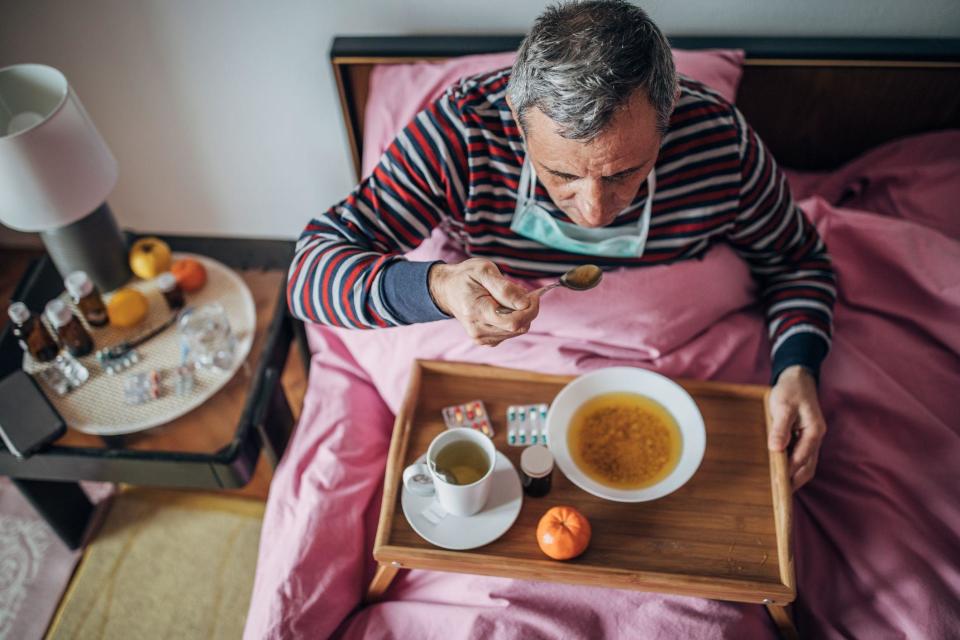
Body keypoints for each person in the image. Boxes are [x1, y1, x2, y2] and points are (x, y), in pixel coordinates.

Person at [286, 0, 836, 489]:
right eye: (560, 174)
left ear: (667, 124)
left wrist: (797, 368)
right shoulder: (463, 132)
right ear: (519, 126)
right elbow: (308, 274)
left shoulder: (722, 145)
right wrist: (439, 285)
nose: (594, 211)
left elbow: (799, 263)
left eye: (625, 172)